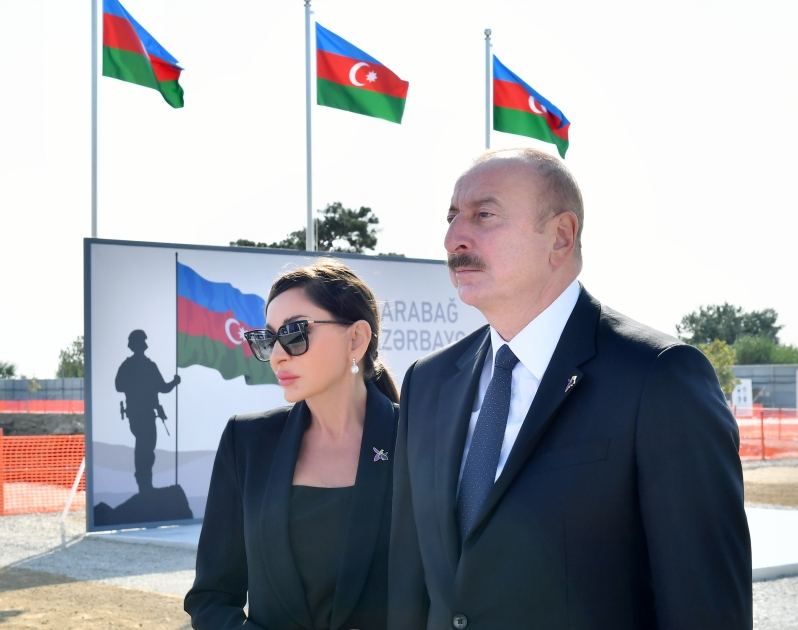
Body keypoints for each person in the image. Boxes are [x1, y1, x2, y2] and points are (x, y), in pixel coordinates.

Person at [388, 148, 752, 629]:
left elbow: (705, 606)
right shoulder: (428, 382)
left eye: (484, 215)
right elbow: (410, 582)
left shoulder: (659, 378)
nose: (454, 237)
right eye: (452, 216)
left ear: (560, 236)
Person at [185, 258, 399, 630]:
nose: (278, 354)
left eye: (295, 332)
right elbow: (211, 597)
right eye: (268, 339)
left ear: (356, 339)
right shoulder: (246, 442)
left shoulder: (418, 439)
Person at [115, 329, 180, 494]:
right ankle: (144, 485)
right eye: (142, 341)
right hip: (138, 415)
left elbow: (162, 387)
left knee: (148, 450)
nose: (144, 344)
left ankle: (146, 485)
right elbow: (119, 386)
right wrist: (137, 385)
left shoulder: (148, 366)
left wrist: (174, 382)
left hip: (147, 414)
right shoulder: (130, 366)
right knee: (144, 449)